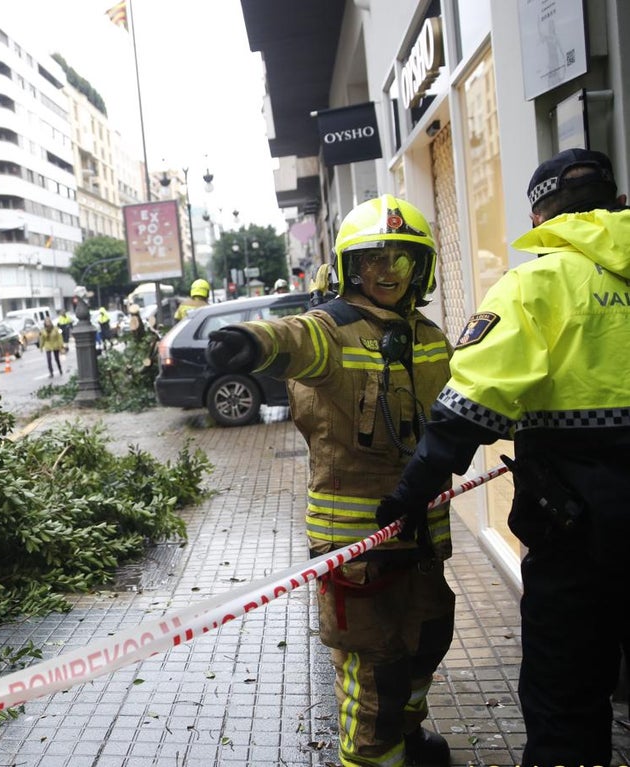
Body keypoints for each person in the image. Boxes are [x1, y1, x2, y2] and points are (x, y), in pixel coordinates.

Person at [377, 148, 630, 767]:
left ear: (541, 215)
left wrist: (410, 498)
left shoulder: (536, 285)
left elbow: (468, 411)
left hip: (580, 537)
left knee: (565, 696)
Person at [206, 194, 455, 767]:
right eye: (373, 260)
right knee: (376, 665)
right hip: (357, 548)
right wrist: (252, 341)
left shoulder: (431, 337)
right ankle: (371, 759)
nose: (388, 272)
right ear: (350, 267)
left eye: (402, 259)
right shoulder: (332, 331)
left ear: (422, 268)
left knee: (427, 640)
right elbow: (293, 337)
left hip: (420, 537)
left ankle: (406, 738)